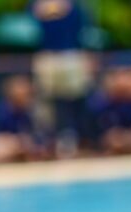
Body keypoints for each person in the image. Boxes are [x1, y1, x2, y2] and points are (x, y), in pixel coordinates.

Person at [30, 0, 94, 156]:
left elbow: (84, 30)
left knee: (77, 97)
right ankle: (51, 140)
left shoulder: (77, 6)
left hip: (71, 55)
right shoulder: (36, 4)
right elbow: (33, 21)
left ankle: (81, 137)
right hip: (48, 56)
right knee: (49, 100)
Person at [0, 75, 42, 163]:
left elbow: (33, 137)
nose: (28, 99)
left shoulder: (26, 114)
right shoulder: (0, 112)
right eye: (25, 95)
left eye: (29, 95)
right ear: (14, 95)